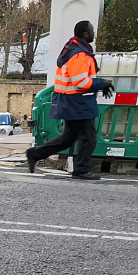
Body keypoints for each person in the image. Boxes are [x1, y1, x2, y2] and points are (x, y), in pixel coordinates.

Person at [26, 20, 113, 180]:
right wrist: (103, 83)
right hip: (77, 102)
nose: (94, 33)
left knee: (69, 138)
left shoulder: (75, 49)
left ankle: (35, 154)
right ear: (85, 34)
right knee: (88, 137)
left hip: (72, 101)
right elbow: (81, 82)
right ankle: (81, 169)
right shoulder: (79, 54)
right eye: (92, 30)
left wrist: (101, 84)